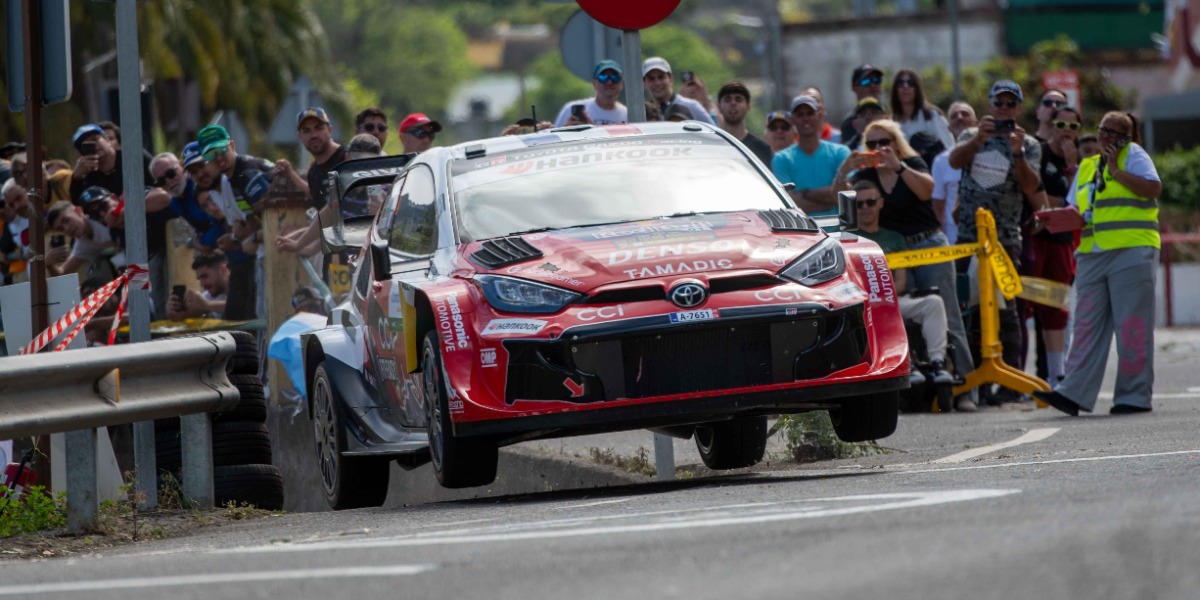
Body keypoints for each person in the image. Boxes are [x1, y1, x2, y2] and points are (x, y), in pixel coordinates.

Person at [839, 120, 977, 411]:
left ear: (896, 141)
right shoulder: (866, 174)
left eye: (884, 142)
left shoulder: (911, 162)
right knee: (909, 317)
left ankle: (966, 389)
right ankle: (924, 388)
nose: (879, 149)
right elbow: (842, 199)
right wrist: (844, 169)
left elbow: (928, 191)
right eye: (872, 144)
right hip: (897, 250)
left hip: (928, 244)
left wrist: (898, 167)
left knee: (950, 314)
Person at [1034, 112, 1161, 416]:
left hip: (1131, 250)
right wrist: (1056, 217)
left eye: (1118, 133)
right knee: (1086, 325)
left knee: (1131, 325)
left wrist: (1116, 170)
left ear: (1129, 138)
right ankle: (1073, 392)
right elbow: (1077, 206)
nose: (1108, 137)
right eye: (1104, 130)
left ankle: (1134, 396)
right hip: (1091, 254)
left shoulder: (1135, 156)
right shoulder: (1088, 166)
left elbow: (1152, 189)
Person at [949, 80, 1043, 406]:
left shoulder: (1028, 144)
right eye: (998, 103)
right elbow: (954, 162)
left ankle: (1010, 382)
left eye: (1009, 104)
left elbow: (1032, 186)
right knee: (966, 309)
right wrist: (978, 138)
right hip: (967, 237)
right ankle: (973, 380)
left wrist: (1017, 153)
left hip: (1005, 237)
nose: (1003, 110)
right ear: (989, 105)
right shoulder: (969, 135)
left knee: (1008, 311)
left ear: (1017, 108)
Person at [849, 179, 955, 388]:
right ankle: (908, 362)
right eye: (859, 204)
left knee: (933, 302)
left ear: (880, 203)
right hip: (863, 306)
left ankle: (937, 363)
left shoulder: (895, 239)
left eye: (870, 202)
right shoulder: (848, 239)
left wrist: (882, 294)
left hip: (893, 299)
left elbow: (901, 281)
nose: (865, 208)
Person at [1025, 105, 1082, 386]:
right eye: (1062, 125)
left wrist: (1072, 168)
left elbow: (1078, 202)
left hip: (1061, 241)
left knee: (1056, 309)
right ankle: (1023, 377)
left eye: (1073, 128)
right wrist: (1056, 204)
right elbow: (1036, 195)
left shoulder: (1078, 163)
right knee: (1025, 306)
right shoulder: (1038, 151)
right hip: (1034, 239)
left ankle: (1056, 374)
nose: (1066, 133)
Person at [196, 124, 272, 320]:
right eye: (212, 154)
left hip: (282, 251)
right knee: (262, 314)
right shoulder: (230, 180)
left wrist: (252, 236)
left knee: (267, 316)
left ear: (232, 145)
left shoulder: (246, 172)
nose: (219, 157)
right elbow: (251, 223)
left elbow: (273, 218)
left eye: (222, 149)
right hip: (267, 252)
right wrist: (238, 235)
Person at [771, 95, 851, 217]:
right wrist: (831, 199)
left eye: (810, 113)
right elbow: (790, 203)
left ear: (819, 116)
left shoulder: (840, 152)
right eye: (800, 115)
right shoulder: (782, 159)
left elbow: (846, 195)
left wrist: (804, 193)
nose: (805, 119)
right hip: (803, 234)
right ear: (792, 120)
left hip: (838, 231)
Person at [930, 102, 978, 243]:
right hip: (955, 237)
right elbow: (938, 205)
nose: (960, 117)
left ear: (977, 123)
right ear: (949, 128)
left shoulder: (991, 154)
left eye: (965, 114)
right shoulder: (941, 161)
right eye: (954, 116)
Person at [46, 199, 127, 278]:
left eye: (66, 220)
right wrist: (49, 264)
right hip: (132, 264)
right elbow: (63, 273)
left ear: (78, 212)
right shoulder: (83, 245)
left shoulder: (101, 214)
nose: (66, 228)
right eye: (61, 229)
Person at [890, 69, 953, 149]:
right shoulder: (892, 122)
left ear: (917, 89)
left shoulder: (931, 115)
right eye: (900, 83)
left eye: (910, 83)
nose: (905, 86)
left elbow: (948, 147)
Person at [554, 60, 628, 127]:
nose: (609, 82)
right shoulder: (570, 109)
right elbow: (555, 138)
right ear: (594, 83)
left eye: (615, 78)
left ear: (622, 83)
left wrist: (592, 129)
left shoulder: (627, 115)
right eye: (603, 77)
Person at [641, 57, 714, 124]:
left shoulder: (691, 106)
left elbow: (714, 134)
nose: (657, 83)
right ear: (644, 83)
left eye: (661, 77)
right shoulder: (641, 112)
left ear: (671, 79)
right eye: (651, 79)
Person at [717, 82, 774, 167]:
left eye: (738, 99)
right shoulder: (712, 145)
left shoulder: (761, 149)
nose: (733, 103)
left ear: (748, 107)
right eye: (727, 100)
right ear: (719, 108)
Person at [167, 252, 229, 320]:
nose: (202, 284)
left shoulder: (240, 287)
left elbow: (240, 306)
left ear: (223, 270)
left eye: (205, 276)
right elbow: (186, 317)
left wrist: (208, 305)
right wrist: (174, 312)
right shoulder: (208, 296)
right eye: (199, 279)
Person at [841, 64, 884, 144]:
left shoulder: (889, 116)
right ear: (855, 87)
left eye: (876, 80)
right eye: (866, 82)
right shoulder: (851, 121)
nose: (873, 85)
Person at [0, 178, 32, 284]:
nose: (17, 206)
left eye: (19, 198)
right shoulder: (11, 226)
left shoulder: (42, 207)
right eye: (11, 204)